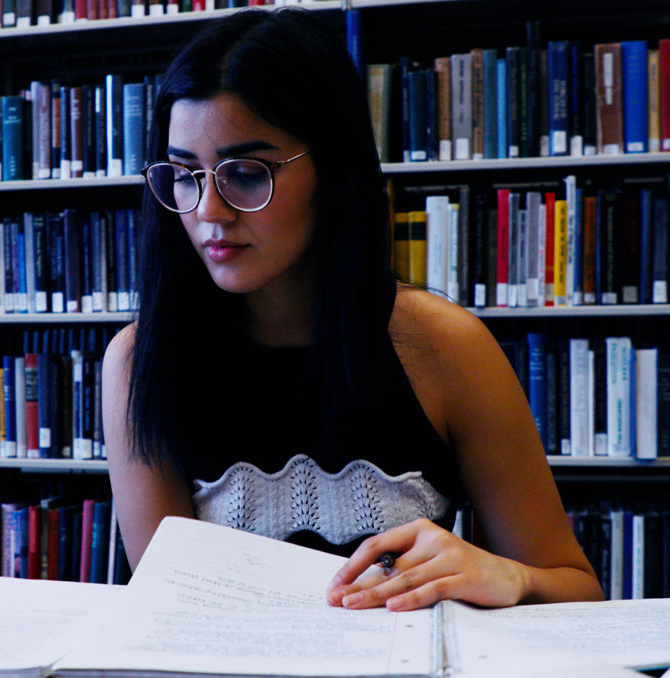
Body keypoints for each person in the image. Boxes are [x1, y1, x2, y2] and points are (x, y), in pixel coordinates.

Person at [102, 8, 603, 611]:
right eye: (183, 174)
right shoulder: (140, 361)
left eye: (243, 173)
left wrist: (507, 576)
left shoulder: (444, 346)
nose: (209, 209)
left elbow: (576, 593)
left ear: (332, 171)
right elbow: (166, 611)